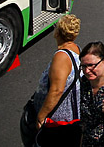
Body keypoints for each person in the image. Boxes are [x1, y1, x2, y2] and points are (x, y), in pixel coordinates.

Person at [32, 14, 82, 142]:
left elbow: (57, 90)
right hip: (72, 113)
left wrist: (41, 116)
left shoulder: (62, 56)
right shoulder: (77, 49)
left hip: (58, 117)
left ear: (57, 33)